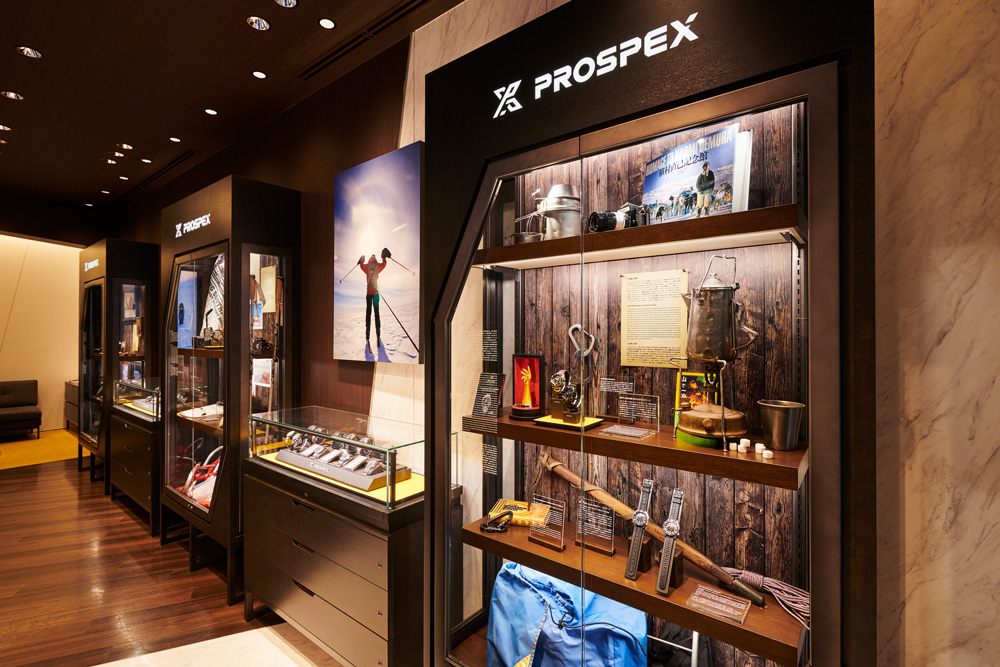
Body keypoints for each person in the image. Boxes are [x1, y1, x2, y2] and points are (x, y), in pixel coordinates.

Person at [359, 248, 391, 351]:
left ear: (370, 258)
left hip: (369, 293)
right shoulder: (378, 266)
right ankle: (378, 334)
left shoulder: (366, 266)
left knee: (368, 313)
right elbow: (384, 264)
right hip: (376, 293)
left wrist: (362, 259)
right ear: (375, 258)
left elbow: (361, 265)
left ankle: (367, 335)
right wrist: (384, 257)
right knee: (377, 313)